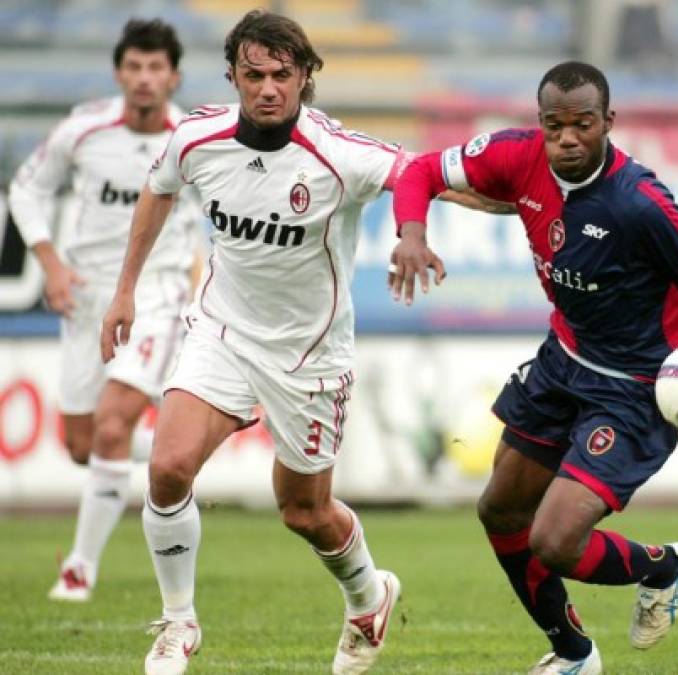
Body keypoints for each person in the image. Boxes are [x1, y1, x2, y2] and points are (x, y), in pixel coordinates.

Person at [391, 61, 678, 674]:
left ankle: (663, 566)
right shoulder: (514, 155)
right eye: (555, 126)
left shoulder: (640, 204)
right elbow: (419, 170)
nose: (568, 138)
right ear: (540, 123)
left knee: (554, 541)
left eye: (583, 124)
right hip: (563, 361)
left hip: (634, 391)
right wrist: (411, 233)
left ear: (608, 122)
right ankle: (574, 656)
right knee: (498, 510)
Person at [99, 11, 502, 675]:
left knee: (303, 510)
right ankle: (177, 624)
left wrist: (527, 199)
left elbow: (427, 176)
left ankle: (367, 596)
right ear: (231, 76)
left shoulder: (336, 154)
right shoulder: (196, 137)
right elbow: (156, 189)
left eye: (280, 75)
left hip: (309, 358)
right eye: (252, 75)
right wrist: (124, 290)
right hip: (222, 330)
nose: (266, 88)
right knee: (168, 467)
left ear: (305, 77)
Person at [8, 19, 197, 602]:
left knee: (114, 424)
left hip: (157, 295)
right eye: (134, 67)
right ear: (119, 73)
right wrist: (52, 265)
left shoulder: (193, 137)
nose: (144, 79)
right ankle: (182, 450)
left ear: (173, 76)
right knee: (83, 446)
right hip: (87, 297)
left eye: (155, 68)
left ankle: (78, 568)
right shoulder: (83, 129)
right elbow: (26, 190)